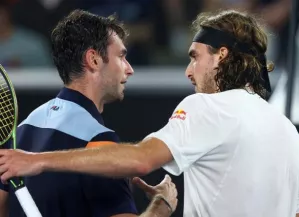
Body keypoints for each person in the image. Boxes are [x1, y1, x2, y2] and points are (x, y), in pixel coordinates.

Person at [0, 9, 299, 217]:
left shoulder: (205, 106)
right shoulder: (291, 134)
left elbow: (140, 159)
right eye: (122, 56)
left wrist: (36, 161)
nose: (188, 71)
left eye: (195, 58)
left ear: (221, 56)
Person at [0, 9, 178, 217]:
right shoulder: (100, 144)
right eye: (121, 56)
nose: (129, 69)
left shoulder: (21, 132)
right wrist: (162, 206)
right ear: (93, 60)